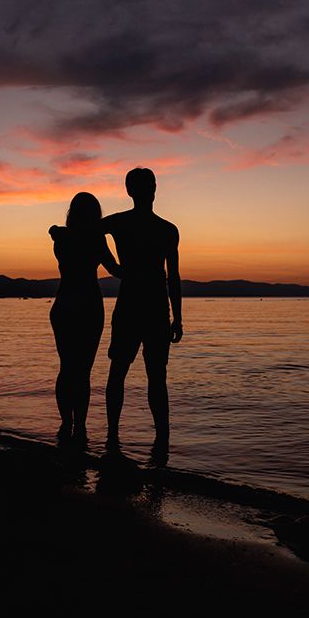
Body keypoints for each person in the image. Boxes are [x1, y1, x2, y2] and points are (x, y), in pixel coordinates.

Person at [103, 167, 182, 448]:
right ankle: (124, 436)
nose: (152, 190)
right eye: (149, 185)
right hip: (141, 306)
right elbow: (173, 277)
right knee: (127, 372)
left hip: (151, 308)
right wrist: (113, 266)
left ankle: (155, 438)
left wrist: (178, 318)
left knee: (146, 375)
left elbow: (174, 276)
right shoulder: (161, 228)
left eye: (152, 184)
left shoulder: (165, 229)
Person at [48, 192, 121, 443]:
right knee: (83, 371)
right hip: (88, 306)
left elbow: (59, 233)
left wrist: (56, 229)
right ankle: (79, 426)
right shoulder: (95, 238)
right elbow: (116, 270)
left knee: (66, 367)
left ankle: (67, 423)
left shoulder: (61, 237)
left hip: (65, 304)